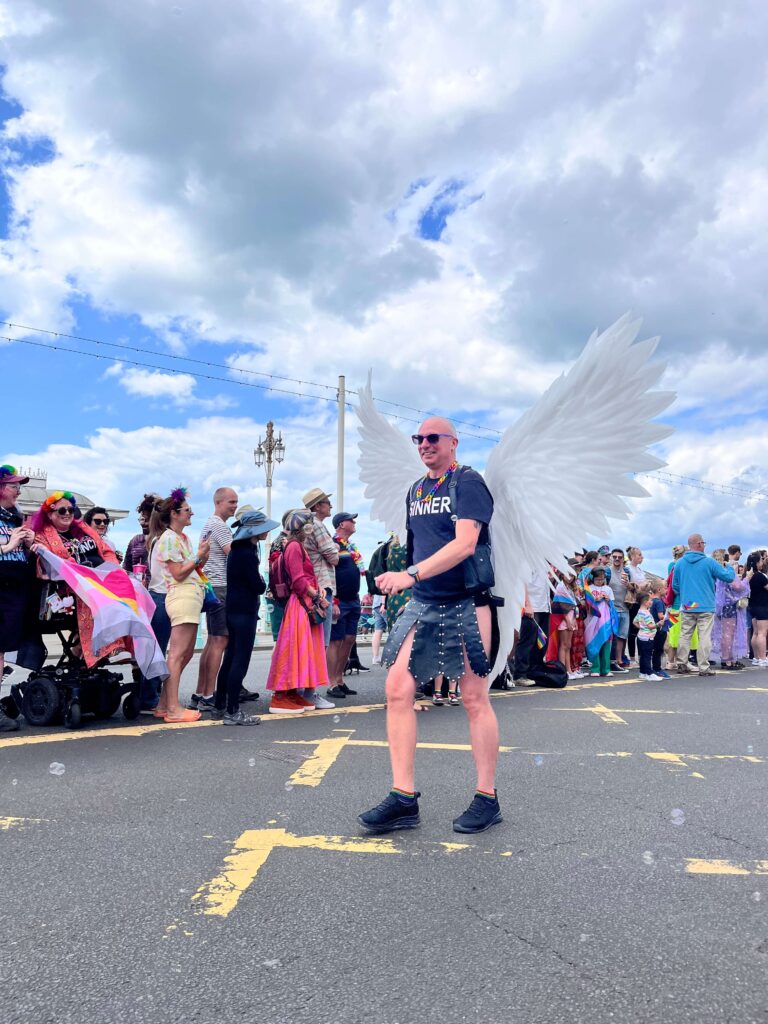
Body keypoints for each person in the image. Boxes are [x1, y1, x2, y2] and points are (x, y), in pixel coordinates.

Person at [358, 417, 501, 836]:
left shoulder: (469, 482)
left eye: (432, 438)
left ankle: (487, 797)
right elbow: (419, 543)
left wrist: (411, 574)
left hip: (469, 602)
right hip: (423, 603)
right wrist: (401, 579)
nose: (424, 444)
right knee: (397, 690)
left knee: (474, 697)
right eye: (418, 439)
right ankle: (403, 798)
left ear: (453, 442)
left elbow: (465, 543)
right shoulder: (416, 490)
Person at [30, 491, 132, 666]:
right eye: (62, 511)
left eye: (71, 509)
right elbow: (52, 567)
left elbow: (106, 551)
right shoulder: (42, 536)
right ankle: (114, 647)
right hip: (71, 588)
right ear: (50, 514)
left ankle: (136, 649)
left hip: (101, 580)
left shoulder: (83, 530)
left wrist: (114, 570)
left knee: (133, 591)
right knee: (98, 595)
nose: (68, 513)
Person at [214, 509, 279, 725]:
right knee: (240, 659)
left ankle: (220, 705)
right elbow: (258, 586)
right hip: (245, 612)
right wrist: (262, 582)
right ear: (255, 531)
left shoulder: (236, 550)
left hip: (232, 609)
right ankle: (233, 711)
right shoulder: (248, 554)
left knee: (230, 657)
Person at [151, 488, 210, 722]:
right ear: (174, 514)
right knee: (177, 654)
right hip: (182, 595)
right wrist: (198, 556)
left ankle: (165, 704)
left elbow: (193, 569)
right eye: (187, 510)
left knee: (184, 653)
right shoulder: (168, 538)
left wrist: (202, 555)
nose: (191, 513)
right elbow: (177, 573)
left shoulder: (181, 538)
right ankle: (173, 709)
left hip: (191, 594)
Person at [265, 509, 331, 714]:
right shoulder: (295, 547)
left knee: (297, 648)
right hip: (301, 603)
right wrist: (318, 596)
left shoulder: (295, 546)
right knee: (294, 649)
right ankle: (281, 695)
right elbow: (298, 581)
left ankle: (291, 692)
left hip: (302, 603)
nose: (311, 528)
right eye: (309, 524)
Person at [191, 487, 239, 711]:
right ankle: (209, 694)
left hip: (211, 585)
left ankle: (201, 691)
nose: (235, 506)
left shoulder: (209, 524)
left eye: (236, 502)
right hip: (221, 586)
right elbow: (234, 554)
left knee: (212, 641)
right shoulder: (220, 526)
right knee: (220, 641)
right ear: (218, 502)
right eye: (231, 502)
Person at [0, 465, 35, 731]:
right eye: (14, 486)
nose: (18, 491)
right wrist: (9, 545)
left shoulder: (16, 517)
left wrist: (28, 543)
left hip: (14, 588)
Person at [672, 533, 735, 676]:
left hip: (688, 604)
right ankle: (703, 667)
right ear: (699, 544)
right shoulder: (709, 562)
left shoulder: (680, 563)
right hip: (705, 603)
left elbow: (675, 586)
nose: (704, 545)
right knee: (704, 636)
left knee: (685, 634)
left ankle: (682, 663)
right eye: (703, 543)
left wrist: (686, 594)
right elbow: (728, 577)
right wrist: (730, 566)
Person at [327, 511, 366, 700]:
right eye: (351, 520)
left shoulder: (351, 547)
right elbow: (328, 572)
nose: (354, 522)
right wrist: (332, 599)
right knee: (336, 641)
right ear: (342, 524)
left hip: (353, 599)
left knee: (349, 639)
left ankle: (340, 679)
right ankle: (332, 683)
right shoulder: (333, 544)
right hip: (339, 600)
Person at [302, 487, 341, 654]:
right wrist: (336, 548)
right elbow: (334, 558)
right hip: (323, 584)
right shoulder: (317, 525)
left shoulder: (307, 525)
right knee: (322, 639)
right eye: (327, 503)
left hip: (313, 584)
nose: (331, 506)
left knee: (314, 638)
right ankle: (317, 678)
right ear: (317, 506)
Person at [712, 549, 750, 669]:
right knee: (729, 634)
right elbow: (737, 587)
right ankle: (727, 660)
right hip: (729, 605)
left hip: (719, 605)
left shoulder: (714, 571)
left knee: (725, 633)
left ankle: (728, 658)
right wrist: (747, 578)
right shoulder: (726, 571)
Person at [546, 570, 580, 679]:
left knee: (568, 645)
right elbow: (561, 606)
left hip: (571, 617)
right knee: (563, 645)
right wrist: (568, 621)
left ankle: (569, 670)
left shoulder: (570, 588)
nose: (569, 577)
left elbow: (572, 605)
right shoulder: (560, 587)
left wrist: (573, 619)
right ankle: (563, 671)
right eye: (567, 574)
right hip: (563, 619)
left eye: (571, 575)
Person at [584, 567, 616, 677]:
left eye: (602, 579)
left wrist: (607, 600)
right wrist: (594, 600)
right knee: (594, 642)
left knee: (606, 643)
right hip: (592, 619)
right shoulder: (588, 588)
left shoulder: (608, 589)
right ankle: (595, 668)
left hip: (605, 620)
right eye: (598, 579)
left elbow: (612, 606)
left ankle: (606, 669)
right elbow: (586, 603)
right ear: (592, 578)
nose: (600, 581)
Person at [123, 493, 162, 580]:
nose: (142, 523)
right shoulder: (136, 541)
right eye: (141, 519)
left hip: (159, 590)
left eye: (147, 519)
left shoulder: (165, 539)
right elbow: (126, 569)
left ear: (156, 519)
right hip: (139, 589)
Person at [607, 548, 631, 672]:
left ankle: (619, 660)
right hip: (612, 608)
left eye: (619, 557)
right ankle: (611, 661)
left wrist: (629, 585)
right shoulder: (607, 572)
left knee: (622, 636)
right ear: (611, 557)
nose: (617, 559)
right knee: (613, 636)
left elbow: (632, 588)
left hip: (625, 607)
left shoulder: (626, 572)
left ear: (623, 559)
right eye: (614, 556)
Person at [746, 550, 768, 667]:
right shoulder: (760, 576)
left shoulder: (749, 576)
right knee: (762, 633)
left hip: (752, 606)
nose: (762, 562)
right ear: (756, 562)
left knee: (756, 632)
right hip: (762, 606)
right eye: (760, 560)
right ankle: (763, 658)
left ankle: (756, 657)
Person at [634, 592, 663, 680]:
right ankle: (649, 673)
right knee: (647, 656)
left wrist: (641, 628)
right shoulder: (647, 614)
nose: (652, 601)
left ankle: (642, 673)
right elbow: (650, 626)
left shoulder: (640, 611)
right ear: (646, 602)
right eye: (650, 600)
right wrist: (659, 624)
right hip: (648, 638)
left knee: (642, 655)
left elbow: (634, 622)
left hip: (641, 637)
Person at [624, 546, 646, 663]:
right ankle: (632, 657)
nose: (641, 557)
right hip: (633, 602)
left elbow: (644, 584)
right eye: (639, 555)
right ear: (632, 556)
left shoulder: (640, 570)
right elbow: (633, 585)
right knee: (633, 629)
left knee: (640, 629)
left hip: (641, 601)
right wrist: (642, 585)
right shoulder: (628, 569)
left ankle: (640, 656)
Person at [648, 580, 671, 678]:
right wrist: (669, 616)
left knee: (654, 649)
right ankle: (657, 669)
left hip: (653, 629)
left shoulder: (652, 601)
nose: (666, 590)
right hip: (660, 629)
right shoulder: (659, 602)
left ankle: (653, 668)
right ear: (659, 590)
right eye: (665, 588)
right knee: (658, 649)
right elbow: (661, 616)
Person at [370, 593, 386, 664]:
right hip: (384, 604)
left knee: (378, 631)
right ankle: (396, 656)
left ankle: (376, 657)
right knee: (394, 629)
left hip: (376, 605)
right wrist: (383, 604)